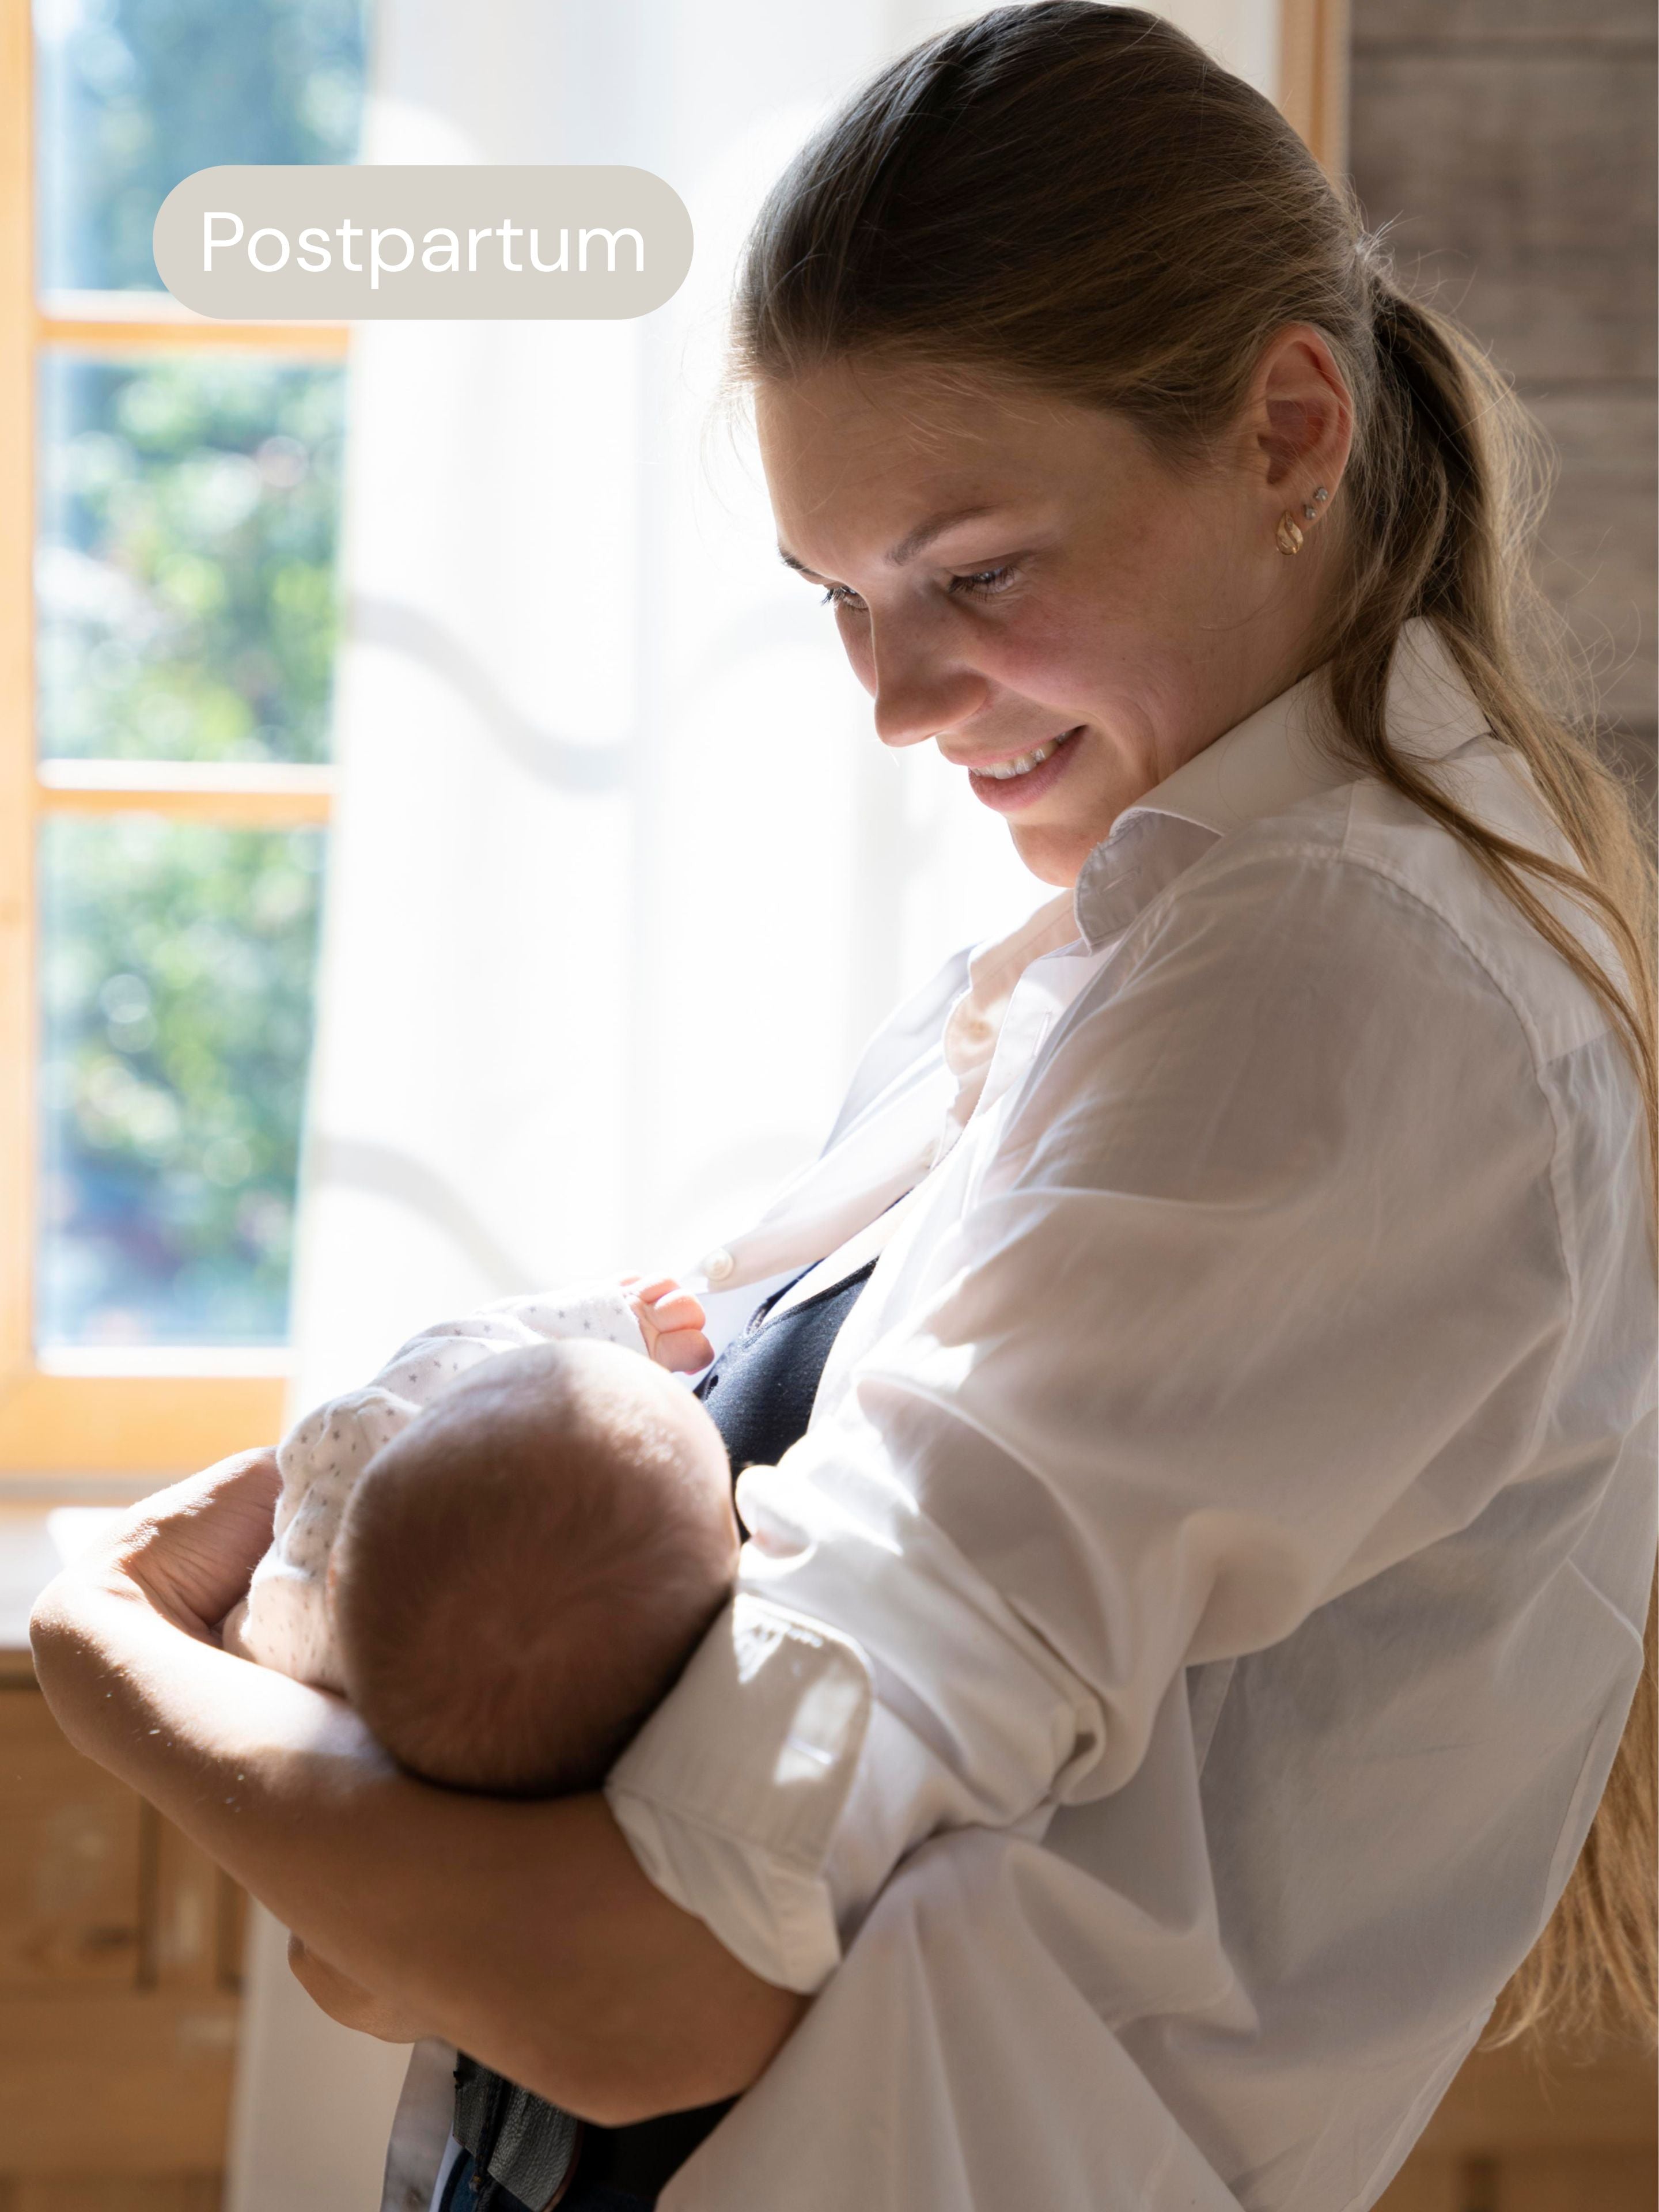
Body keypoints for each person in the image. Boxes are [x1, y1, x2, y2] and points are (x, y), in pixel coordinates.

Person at [30, 9, 1657, 2211]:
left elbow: (634, 1981)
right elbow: (404, 1967)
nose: (889, 699)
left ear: (1286, 429)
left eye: (971, 575)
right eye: (835, 600)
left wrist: (109, 1652)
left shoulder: (1328, 993)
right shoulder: (1119, 947)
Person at [222, 1275, 732, 1797]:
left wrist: (615, 1328)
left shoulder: (362, 1454)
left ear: (336, 1576)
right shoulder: (593, 1738)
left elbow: (448, 1354)